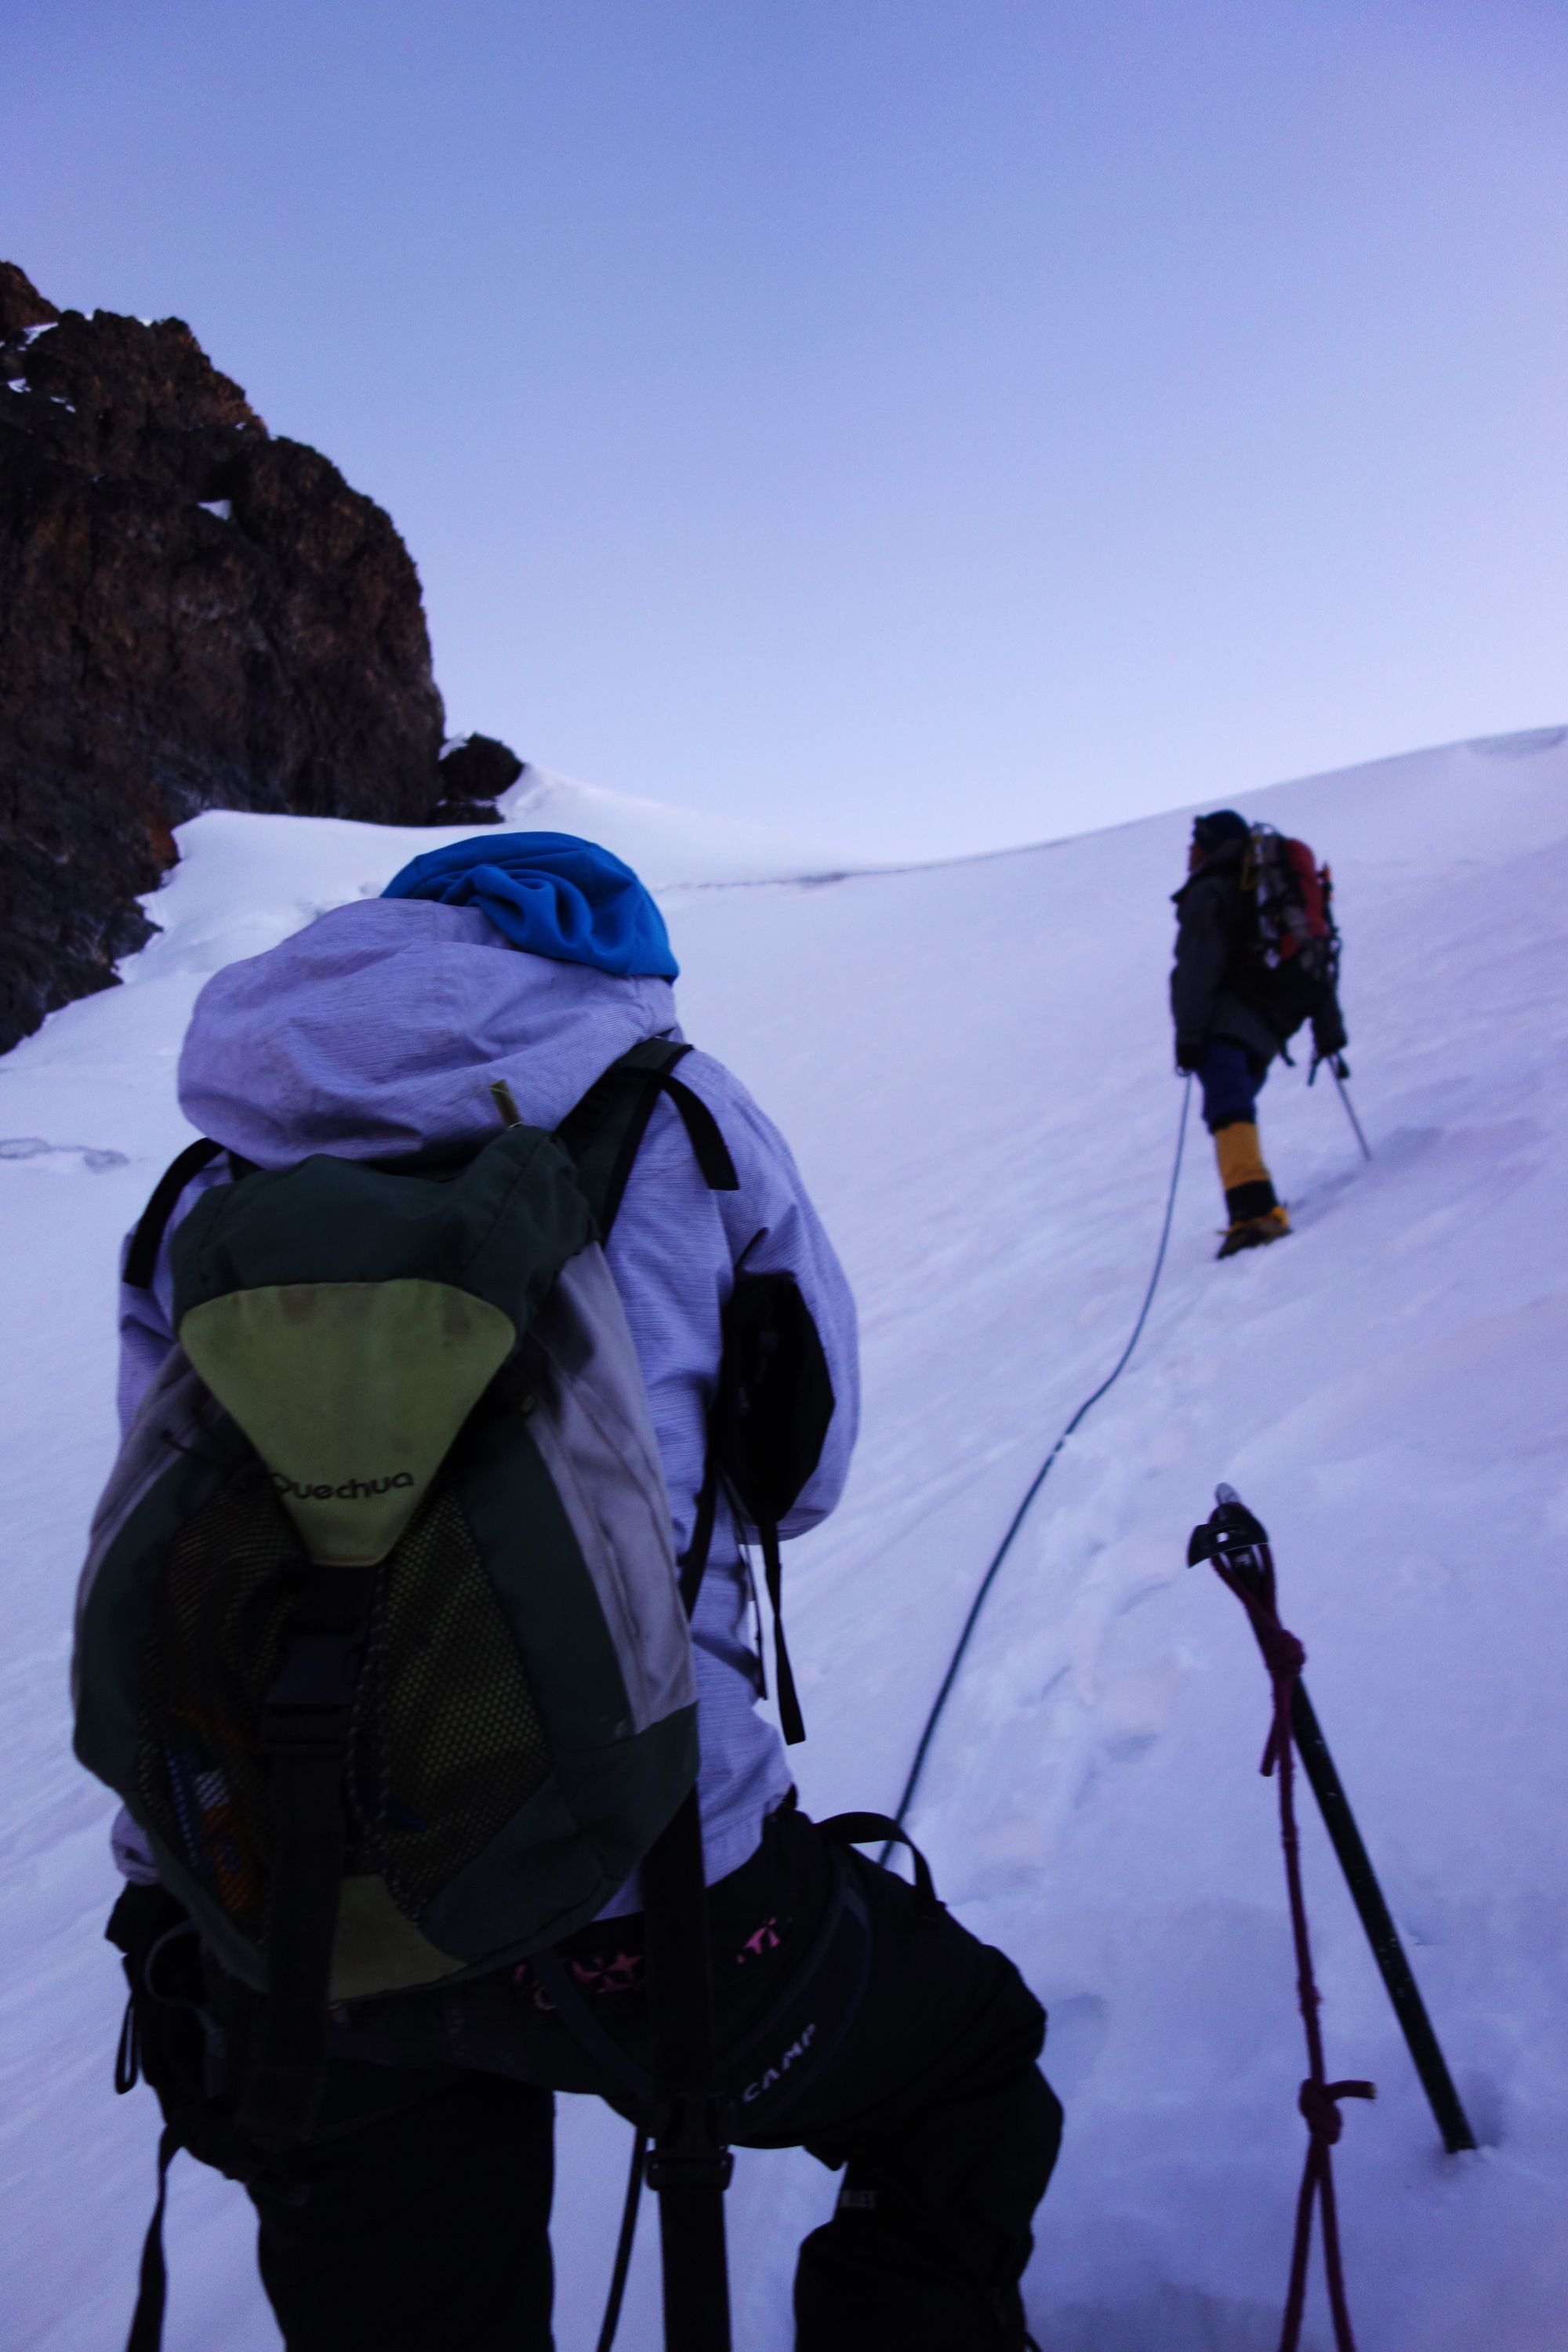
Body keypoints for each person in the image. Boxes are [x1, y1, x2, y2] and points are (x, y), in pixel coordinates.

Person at [100, 833, 1062, 2352]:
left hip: (293, 1908)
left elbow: (171, 1542)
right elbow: (799, 1472)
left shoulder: (214, 1172)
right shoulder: (682, 1114)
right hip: (647, 1884)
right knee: (964, 2078)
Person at [1171, 810, 1347, 1259]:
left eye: (1195, 843)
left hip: (1226, 1023)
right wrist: (1329, 1029)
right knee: (1235, 1109)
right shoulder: (1263, 887)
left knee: (1228, 1111)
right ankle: (1254, 1206)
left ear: (1210, 846)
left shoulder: (1211, 889)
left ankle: (1254, 1215)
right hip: (1268, 1027)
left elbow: (1197, 967)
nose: (1189, 853)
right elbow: (1315, 953)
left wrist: (1189, 1035)